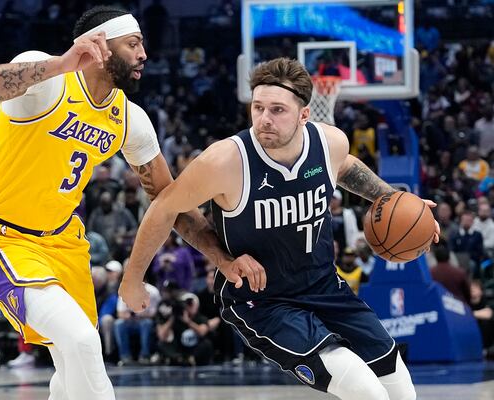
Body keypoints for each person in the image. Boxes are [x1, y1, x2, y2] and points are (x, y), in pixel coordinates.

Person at [0, 6, 264, 400]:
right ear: (100, 45)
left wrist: (222, 258)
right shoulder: (46, 77)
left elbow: (170, 201)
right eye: (133, 44)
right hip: (2, 235)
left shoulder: (129, 119)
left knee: (73, 367)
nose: (143, 55)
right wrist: (60, 64)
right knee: (81, 340)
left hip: (64, 242)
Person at [120, 57, 440, 400]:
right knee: (365, 390)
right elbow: (167, 209)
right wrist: (136, 277)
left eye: (277, 110)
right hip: (264, 302)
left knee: (402, 390)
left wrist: (396, 199)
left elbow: (345, 168)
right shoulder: (225, 161)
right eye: (258, 108)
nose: (264, 119)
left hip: (324, 286)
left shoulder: (329, 143)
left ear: (304, 114)